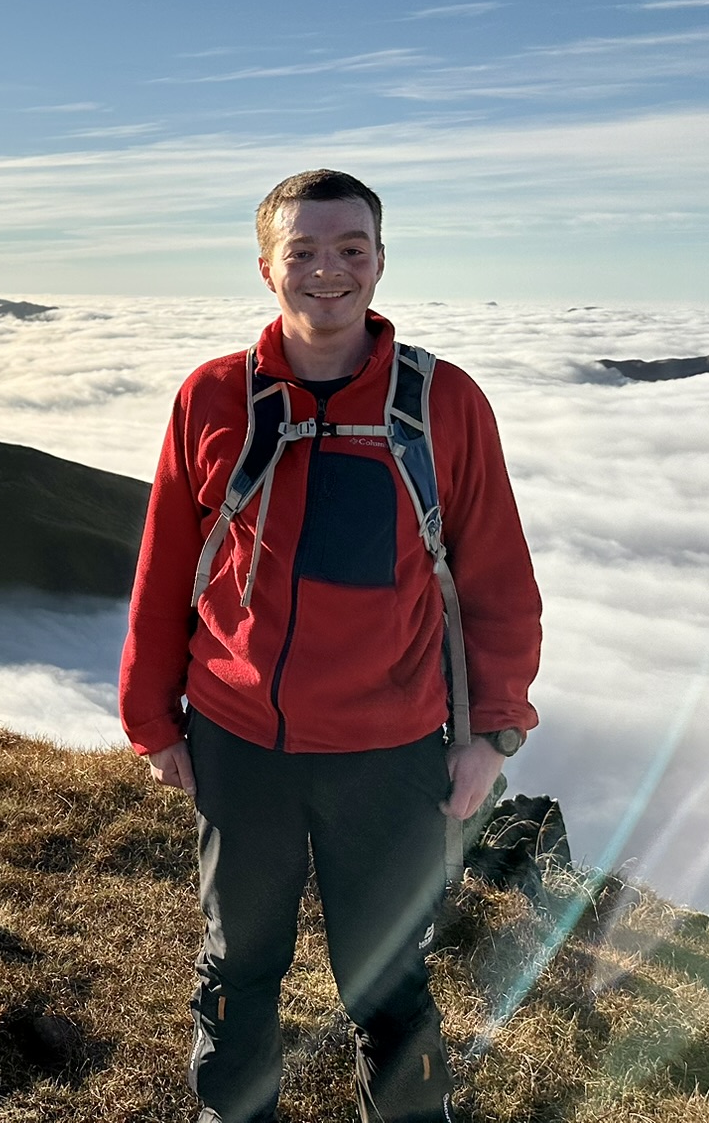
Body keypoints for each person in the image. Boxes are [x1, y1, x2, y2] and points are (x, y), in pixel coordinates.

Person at [119, 169, 542, 1123]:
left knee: (386, 978)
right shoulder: (213, 397)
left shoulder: (444, 403)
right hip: (240, 739)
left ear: (381, 262)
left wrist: (492, 736)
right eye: (303, 251)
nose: (328, 271)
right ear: (266, 267)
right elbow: (166, 569)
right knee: (240, 966)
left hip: (388, 750)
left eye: (351, 249)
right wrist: (152, 718)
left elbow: (496, 579)